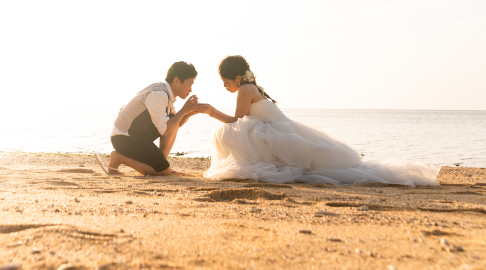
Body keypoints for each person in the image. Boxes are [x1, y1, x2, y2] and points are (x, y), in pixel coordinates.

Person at [194, 55, 440, 186]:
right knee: (239, 133)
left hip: (275, 133)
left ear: (237, 78)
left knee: (228, 132)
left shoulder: (245, 90)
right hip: (280, 131)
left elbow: (238, 121)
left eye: (226, 83)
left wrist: (211, 112)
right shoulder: (249, 87)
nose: (225, 87)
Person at [95, 61, 201, 176]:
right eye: (190, 84)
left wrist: (188, 114)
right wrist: (183, 111)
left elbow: (175, 124)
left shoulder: (167, 94)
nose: (190, 89)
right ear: (176, 80)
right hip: (124, 138)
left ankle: (162, 163)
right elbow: (165, 131)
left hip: (136, 135)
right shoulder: (158, 94)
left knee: (172, 119)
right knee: (164, 171)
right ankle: (119, 158)